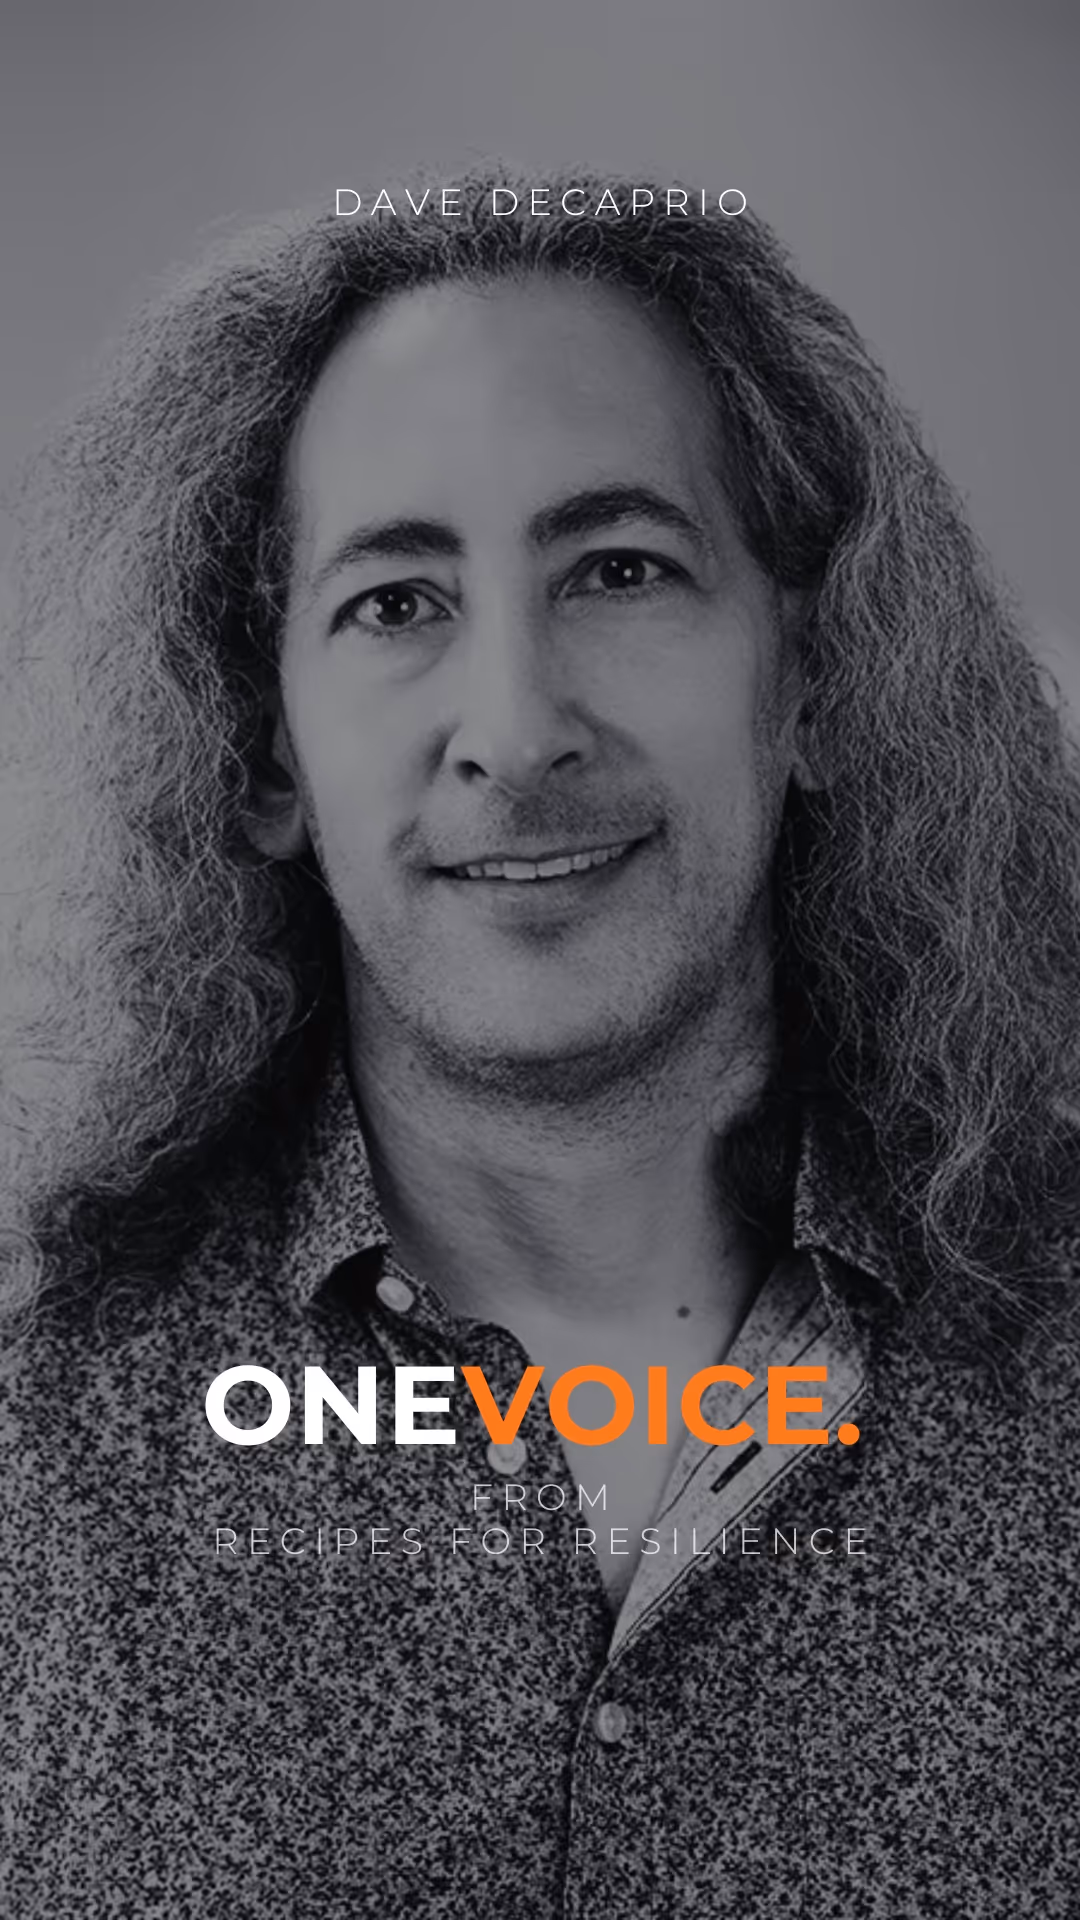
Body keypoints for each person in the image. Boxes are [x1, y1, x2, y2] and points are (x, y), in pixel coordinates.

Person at [1, 169, 1078, 1919]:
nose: (514, 729)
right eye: (397, 604)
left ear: (811, 684)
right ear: (265, 752)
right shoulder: (32, 1420)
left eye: (621, 569)